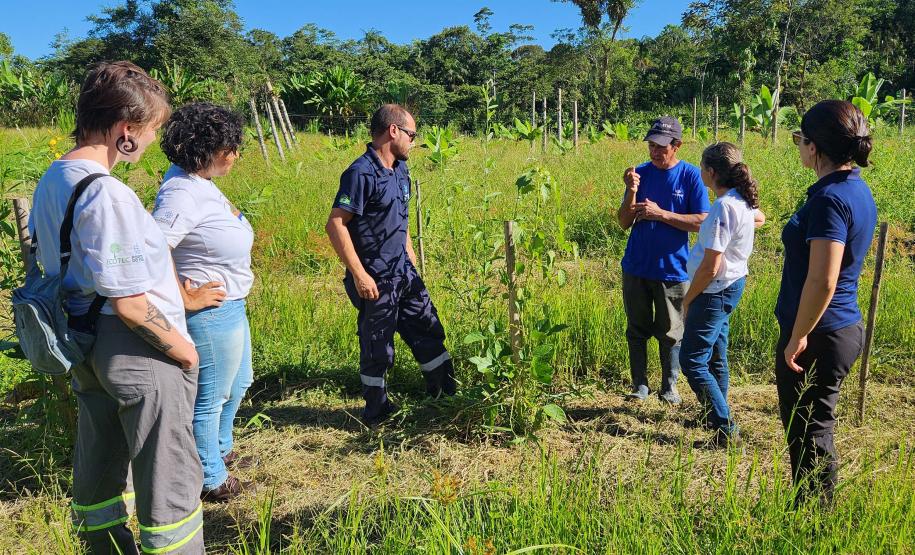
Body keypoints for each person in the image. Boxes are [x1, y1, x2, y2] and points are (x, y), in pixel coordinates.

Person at [30, 62, 204, 554]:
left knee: (101, 462)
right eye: (150, 130)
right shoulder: (108, 194)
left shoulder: (56, 176)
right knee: (168, 480)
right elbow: (129, 302)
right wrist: (183, 351)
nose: (150, 141)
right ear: (126, 130)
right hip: (134, 350)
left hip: (82, 340)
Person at [325, 104, 455, 426]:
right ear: (393, 131)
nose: (414, 140)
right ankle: (377, 413)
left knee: (428, 327)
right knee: (378, 346)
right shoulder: (359, 173)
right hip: (376, 278)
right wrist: (359, 274)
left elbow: (401, 220)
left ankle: (445, 395)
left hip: (404, 274)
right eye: (412, 134)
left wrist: (411, 260)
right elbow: (336, 224)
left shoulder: (401, 171)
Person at [775, 100, 877, 505]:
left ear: (814, 147)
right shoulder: (854, 188)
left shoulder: (830, 200)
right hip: (836, 327)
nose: (799, 147)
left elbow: (823, 279)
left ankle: (815, 519)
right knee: (812, 427)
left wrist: (799, 335)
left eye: (800, 140)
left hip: (820, 332)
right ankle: (812, 511)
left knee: (810, 430)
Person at [153, 102, 254, 503]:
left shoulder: (198, 182)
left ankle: (221, 450)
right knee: (211, 396)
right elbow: (154, 250)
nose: (235, 155)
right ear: (207, 149)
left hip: (230, 305)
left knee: (239, 382)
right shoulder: (180, 193)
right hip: (211, 313)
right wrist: (185, 296)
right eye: (230, 147)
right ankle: (209, 476)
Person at [617, 116, 711, 404]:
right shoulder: (640, 175)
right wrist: (631, 192)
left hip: (672, 269)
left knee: (671, 332)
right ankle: (639, 385)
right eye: (651, 146)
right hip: (637, 266)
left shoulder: (691, 176)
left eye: (661, 146)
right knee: (636, 329)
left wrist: (662, 214)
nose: (655, 152)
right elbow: (623, 222)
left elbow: (702, 221)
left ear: (677, 146)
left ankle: (669, 386)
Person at [680, 142, 765, 447]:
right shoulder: (741, 201)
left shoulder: (723, 207)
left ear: (712, 172)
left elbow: (711, 264)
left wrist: (689, 298)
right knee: (717, 353)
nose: (700, 172)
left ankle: (726, 428)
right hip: (732, 284)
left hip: (714, 290)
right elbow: (761, 218)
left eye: (702, 167)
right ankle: (715, 412)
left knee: (691, 360)